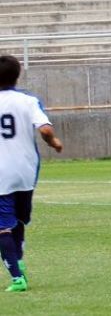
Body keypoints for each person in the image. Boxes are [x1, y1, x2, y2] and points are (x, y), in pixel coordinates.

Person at [0, 55, 63, 292]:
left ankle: (17, 278)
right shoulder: (28, 100)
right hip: (27, 170)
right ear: (18, 75)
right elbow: (45, 128)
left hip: (1, 173)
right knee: (18, 219)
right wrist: (54, 141)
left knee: (2, 226)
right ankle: (19, 259)